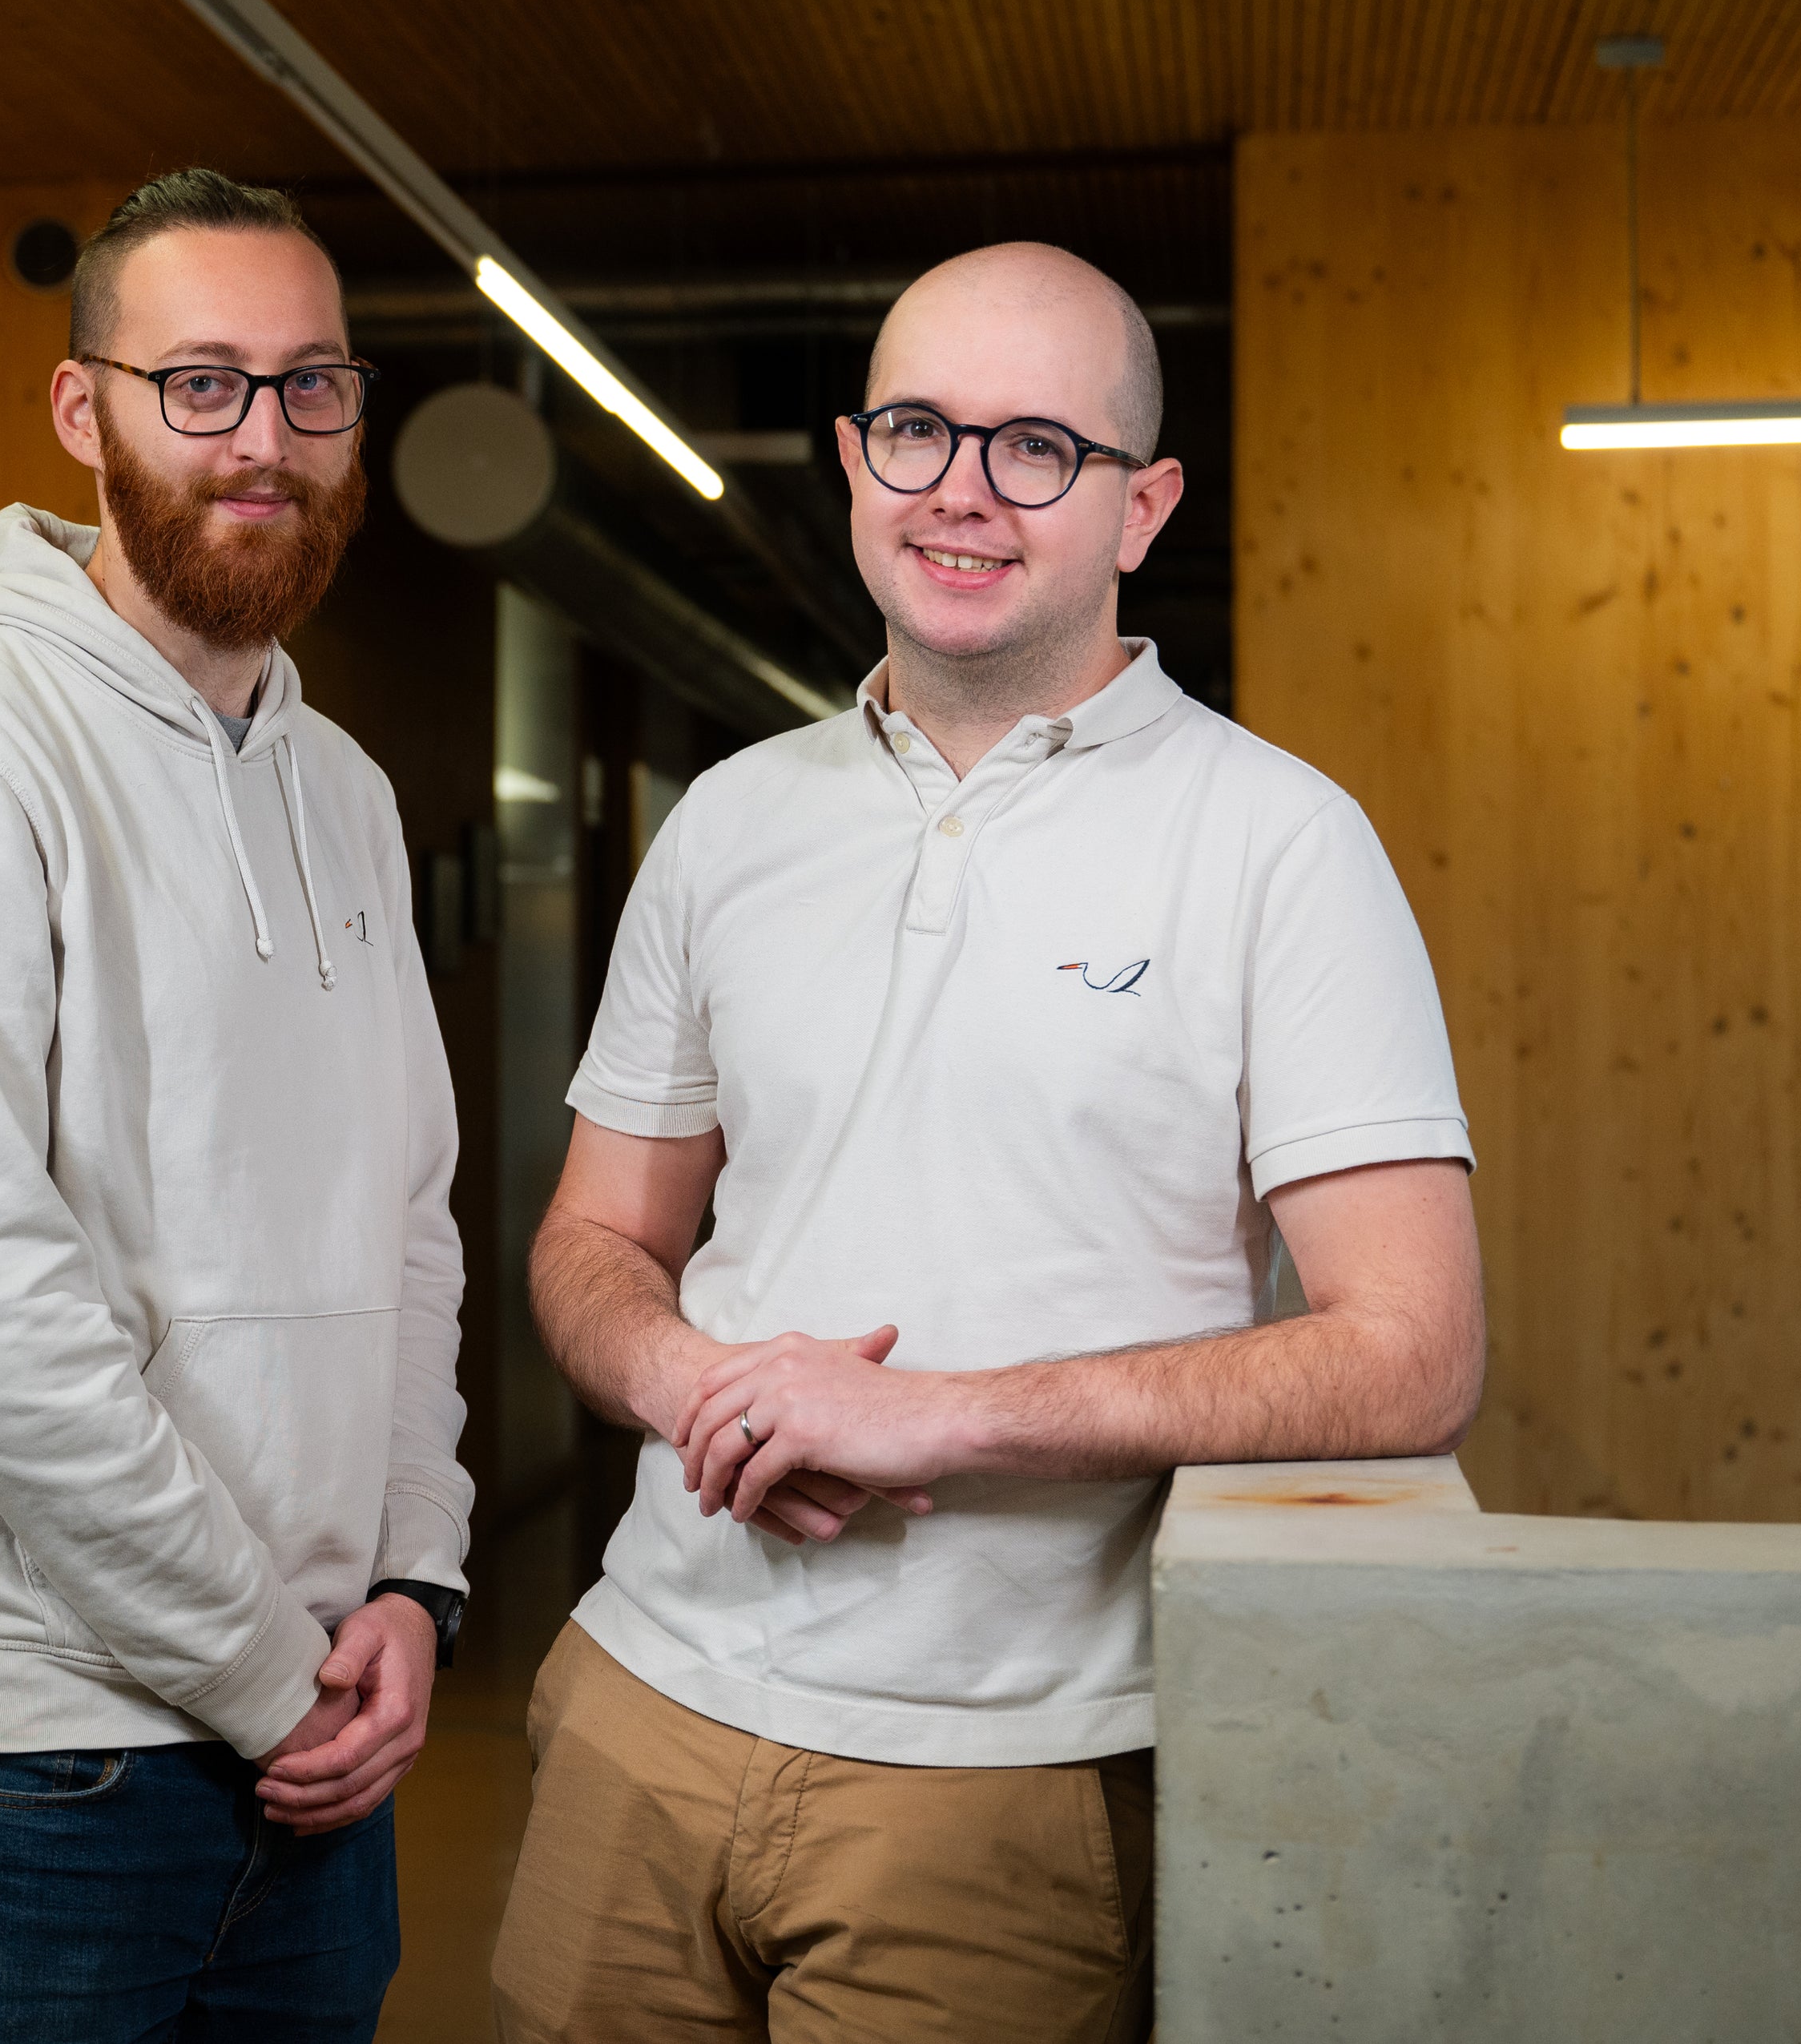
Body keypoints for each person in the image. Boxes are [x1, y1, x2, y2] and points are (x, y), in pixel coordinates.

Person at [490, 242, 1485, 2042]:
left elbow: (1412, 1355)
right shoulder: (730, 824)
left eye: (1036, 445)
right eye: (917, 429)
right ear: (855, 460)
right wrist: (704, 1388)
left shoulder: (1279, 843)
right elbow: (594, 1241)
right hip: (641, 1702)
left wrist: (941, 1413)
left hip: (1008, 1773)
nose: (960, 487)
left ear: (1144, 505)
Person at [0, 167, 471, 2042]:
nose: (265, 441)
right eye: (204, 384)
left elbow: (410, 1219)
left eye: (311, 387)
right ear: (85, 410)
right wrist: (268, 1675)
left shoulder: (339, 786)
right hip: (16, 1769)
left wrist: (414, 1574)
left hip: (323, 1734)